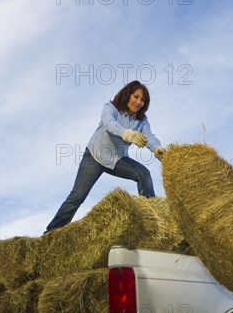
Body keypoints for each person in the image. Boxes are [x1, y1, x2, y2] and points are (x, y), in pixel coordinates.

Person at [45, 81, 165, 233]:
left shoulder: (142, 120)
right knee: (77, 197)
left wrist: (157, 149)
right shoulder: (111, 107)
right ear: (128, 94)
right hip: (94, 156)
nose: (139, 102)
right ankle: (50, 233)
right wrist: (126, 133)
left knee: (143, 174)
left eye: (143, 100)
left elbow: (149, 136)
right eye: (136, 97)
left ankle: (153, 224)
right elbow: (109, 124)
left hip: (117, 159)